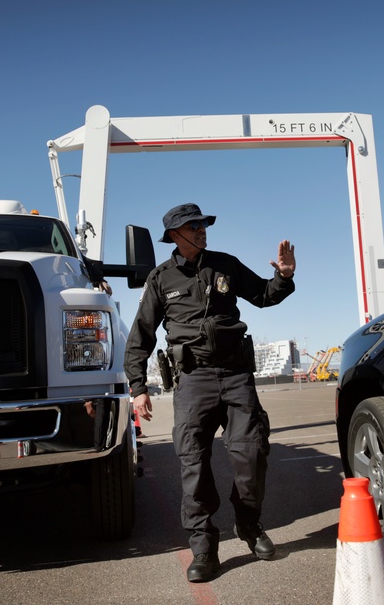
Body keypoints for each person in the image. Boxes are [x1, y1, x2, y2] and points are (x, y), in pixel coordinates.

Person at [125, 203, 296, 583]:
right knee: (194, 465)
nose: (202, 230)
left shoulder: (225, 264)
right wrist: (138, 387)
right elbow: (140, 337)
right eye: (193, 226)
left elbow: (265, 295)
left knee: (251, 452)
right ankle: (204, 548)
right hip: (193, 380)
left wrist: (283, 277)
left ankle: (249, 525)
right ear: (174, 234)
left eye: (203, 224)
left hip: (236, 374)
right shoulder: (160, 279)